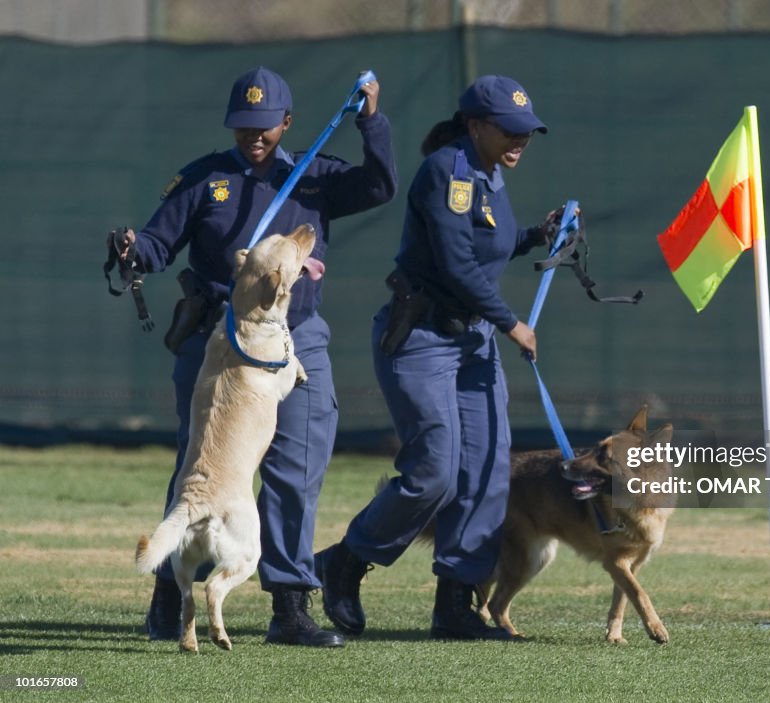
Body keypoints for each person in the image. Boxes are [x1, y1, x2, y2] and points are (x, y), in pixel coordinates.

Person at [109, 66, 398, 647]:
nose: (254, 136)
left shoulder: (313, 175)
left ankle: (289, 605)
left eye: (265, 126)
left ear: (286, 123)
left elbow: (379, 186)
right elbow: (159, 243)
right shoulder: (205, 178)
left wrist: (372, 121)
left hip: (294, 338)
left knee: (299, 466)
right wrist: (133, 248)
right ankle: (172, 592)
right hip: (217, 339)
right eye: (244, 126)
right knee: (202, 468)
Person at [316, 75, 562, 640]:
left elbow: (488, 242)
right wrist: (512, 323)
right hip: (424, 337)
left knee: (485, 471)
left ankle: (455, 603)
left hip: (472, 344)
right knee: (433, 472)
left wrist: (537, 236)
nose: (521, 141)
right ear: (476, 125)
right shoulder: (447, 172)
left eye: (528, 132)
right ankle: (344, 562)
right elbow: (455, 263)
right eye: (510, 131)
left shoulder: (491, 173)